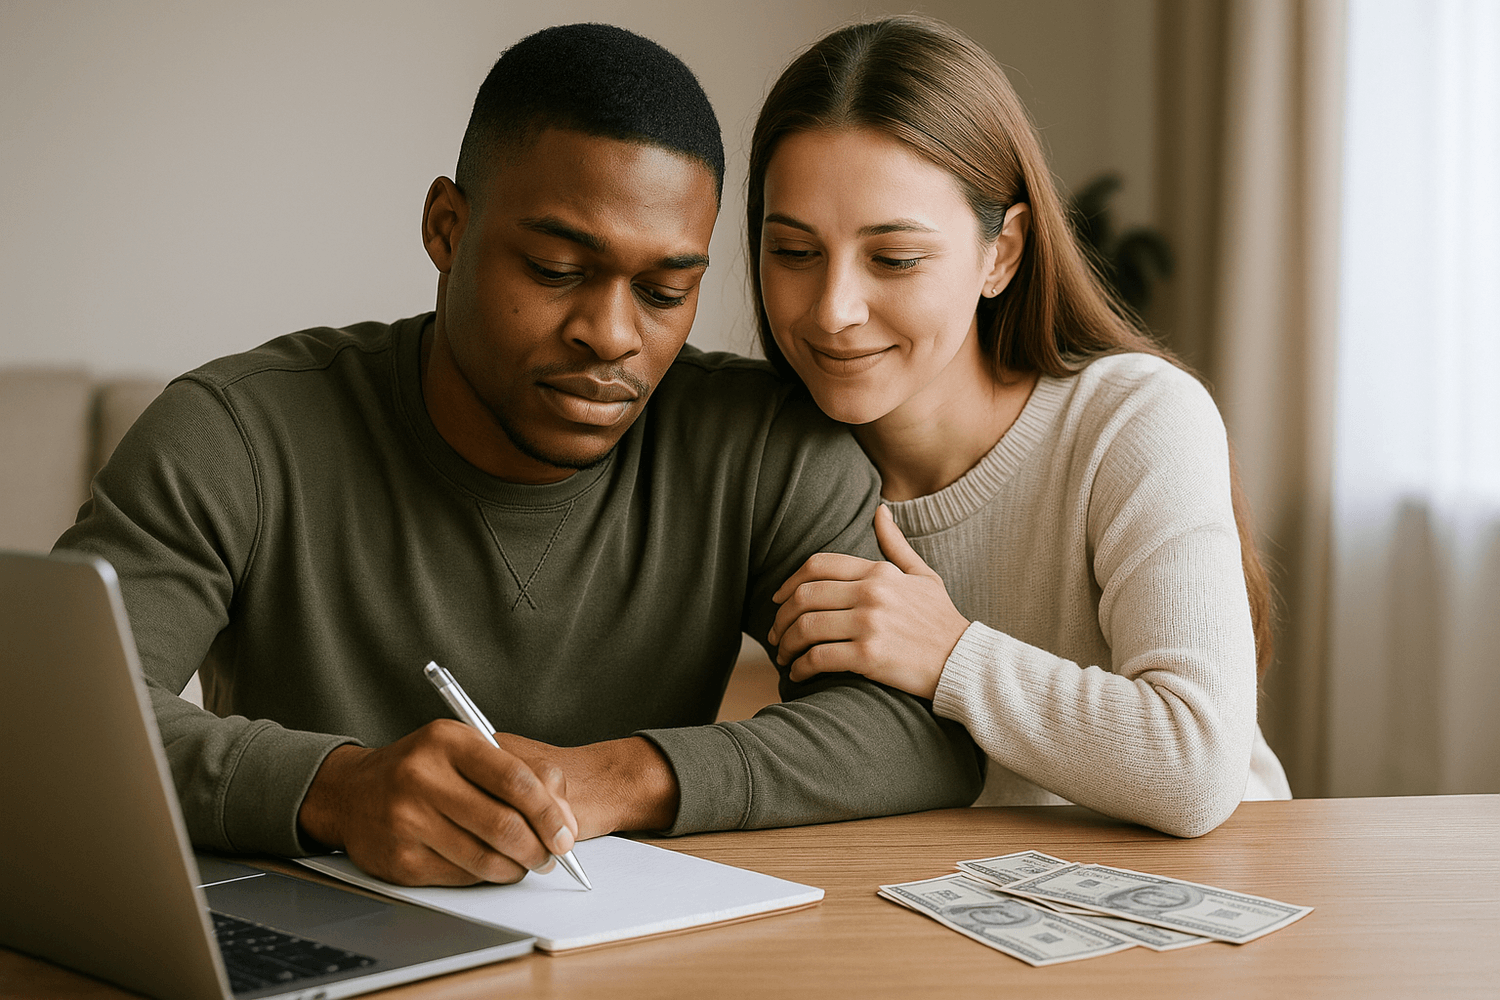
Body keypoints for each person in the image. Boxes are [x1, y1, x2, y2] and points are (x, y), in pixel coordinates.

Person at [55, 23, 982, 887]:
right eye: (556, 272)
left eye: (664, 291)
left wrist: (622, 777)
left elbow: (916, 731)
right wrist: (337, 790)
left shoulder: (763, 446)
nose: (611, 335)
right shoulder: (235, 433)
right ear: (447, 230)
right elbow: (45, 719)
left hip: (629, 953)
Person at [751, 16, 1290, 839]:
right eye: (793, 251)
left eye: (894, 259)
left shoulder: (1133, 420)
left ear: (1001, 254)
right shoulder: (768, 458)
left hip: (1213, 896)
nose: (834, 311)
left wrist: (949, 653)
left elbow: (1195, 763)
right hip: (957, 911)